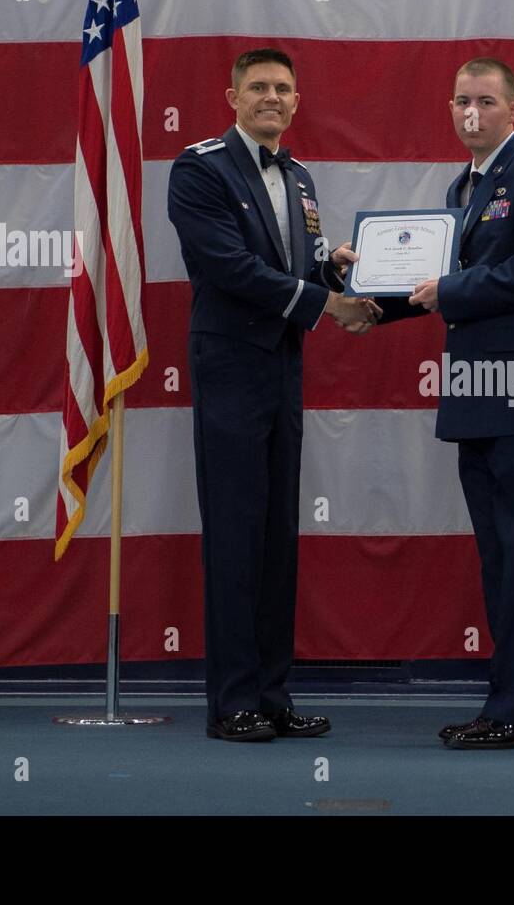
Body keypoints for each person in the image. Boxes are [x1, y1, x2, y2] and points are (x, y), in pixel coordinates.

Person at [167, 48, 378, 742]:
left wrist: (333, 265)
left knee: (276, 537)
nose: (271, 97)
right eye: (257, 86)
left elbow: (290, 260)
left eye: (283, 88)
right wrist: (324, 304)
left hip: (284, 370)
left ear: (296, 100)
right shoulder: (199, 167)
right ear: (231, 96)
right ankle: (233, 702)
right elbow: (227, 266)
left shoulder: (302, 176)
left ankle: (272, 694)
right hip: (230, 369)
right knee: (235, 535)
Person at [370, 58, 514, 748]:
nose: (471, 112)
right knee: (499, 561)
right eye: (461, 99)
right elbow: (437, 282)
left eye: (485, 101)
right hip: (476, 398)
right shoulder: (461, 186)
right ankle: (507, 706)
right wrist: (368, 295)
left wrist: (449, 292)